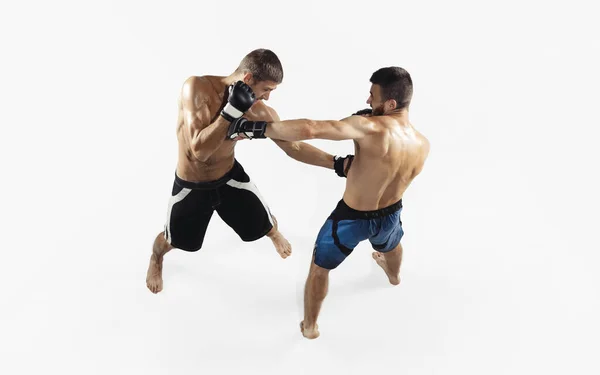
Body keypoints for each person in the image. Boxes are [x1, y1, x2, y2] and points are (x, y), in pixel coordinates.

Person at [227, 66, 430, 339]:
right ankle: (394, 277)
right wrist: (350, 165)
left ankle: (310, 327)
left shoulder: (368, 126)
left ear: (390, 103)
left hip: (351, 219)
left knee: (319, 268)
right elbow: (383, 170)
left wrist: (256, 128)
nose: (368, 101)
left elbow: (312, 128)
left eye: (373, 96)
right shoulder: (422, 143)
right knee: (392, 244)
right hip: (390, 215)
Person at [146, 49, 338, 294]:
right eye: (266, 89)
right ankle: (156, 259)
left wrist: (337, 164)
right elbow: (199, 151)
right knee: (172, 240)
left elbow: (295, 147)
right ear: (247, 80)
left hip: (229, 178)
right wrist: (231, 112)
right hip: (191, 185)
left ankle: (273, 234)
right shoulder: (197, 88)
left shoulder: (258, 111)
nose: (267, 98)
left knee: (265, 222)